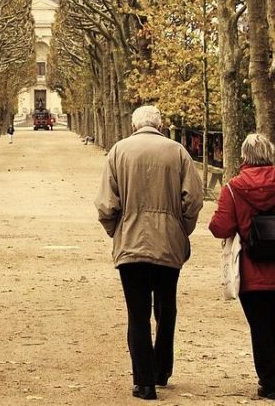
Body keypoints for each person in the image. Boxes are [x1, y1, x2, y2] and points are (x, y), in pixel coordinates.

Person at [95, 105, 204, 400]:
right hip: (168, 243)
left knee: (138, 314)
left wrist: (117, 230)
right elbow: (193, 199)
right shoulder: (178, 152)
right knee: (166, 309)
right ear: (161, 125)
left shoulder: (118, 152)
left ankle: (144, 383)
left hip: (130, 243)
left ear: (133, 126)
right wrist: (180, 228)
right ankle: (162, 369)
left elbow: (106, 204)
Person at [209, 133, 275, 401]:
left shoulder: (233, 188)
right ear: (270, 154)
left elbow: (220, 227)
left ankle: (270, 381)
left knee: (259, 324)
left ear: (244, 156)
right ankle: (272, 377)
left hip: (250, 267)